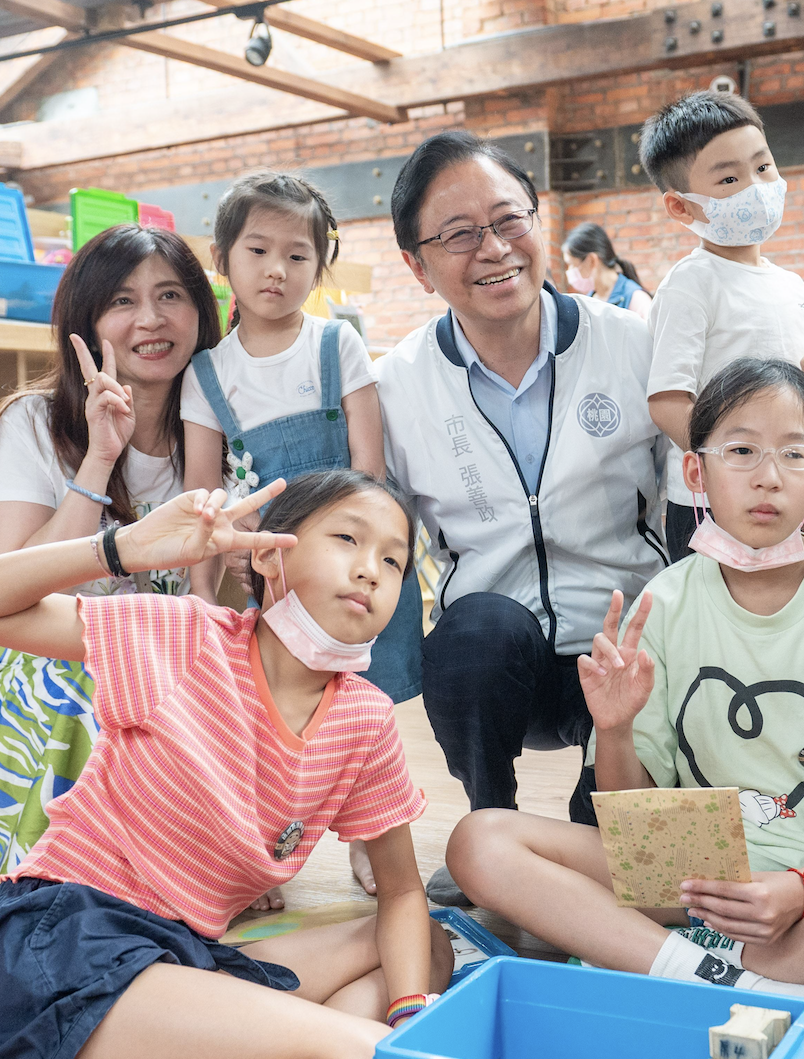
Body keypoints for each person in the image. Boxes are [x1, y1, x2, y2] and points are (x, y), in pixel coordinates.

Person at [446, 358, 804, 1059]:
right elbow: (634, 817)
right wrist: (614, 726)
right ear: (696, 474)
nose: (767, 475)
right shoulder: (664, 601)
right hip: (695, 866)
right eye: (742, 451)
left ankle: (652, 959)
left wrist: (798, 889)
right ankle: (718, 976)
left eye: (793, 454)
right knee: (477, 842)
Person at [0, 472, 448, 1059]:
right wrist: (119, 549)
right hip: (62, 945)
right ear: (270, 556)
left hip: (177, 954)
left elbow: (401, 893)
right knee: (362, 1047)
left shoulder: (365, 720)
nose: (371, 569)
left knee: (427, 950)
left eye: (395, 561)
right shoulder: (186, 636)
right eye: (348, 539)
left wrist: (408, 1013)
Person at [0, 224, 220, 957]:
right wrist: (99, 462)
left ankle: (185, 882)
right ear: (85, 321)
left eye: (171, 296)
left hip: (160, 666)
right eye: (122, 301)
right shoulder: (34, 420)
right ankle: (55, 903)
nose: (150, 320)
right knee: (94, 684)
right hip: (26, 665)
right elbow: (6, 585)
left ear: (201, 312)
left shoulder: (217, 431)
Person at [375, 130, 667, 901]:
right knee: (473, 629)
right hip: (499, 664)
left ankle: (593, 809)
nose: (494, 249)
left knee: (610, 862)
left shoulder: (635, 346)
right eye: (459, 234)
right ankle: (490, 823)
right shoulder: (396, 386)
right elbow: (376, 536)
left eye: (509, 221)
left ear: (539, 223)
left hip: (624, 654)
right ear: (417, 264)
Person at [179, 171, 416, 895]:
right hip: (271, 574)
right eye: (257, 250)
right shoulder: (208, 373)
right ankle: (256, 856)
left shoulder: (336, 345)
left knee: (358, 711)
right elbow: (203, 494)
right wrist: (203, 599)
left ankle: (368, 838)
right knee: (265, 715)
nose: (276, 270)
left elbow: (368, 470)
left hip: (353, 559)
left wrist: (352, 554)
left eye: (297, 255)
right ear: (223, 259)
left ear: (321, 265)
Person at [639, 90, 804, 560]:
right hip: (711, 504)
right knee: (715, 627)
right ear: (681, 207)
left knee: (780, 625)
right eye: (730, 178)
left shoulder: (793, 286)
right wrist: (728, 471)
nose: (755, 187)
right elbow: (668, 402)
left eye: (763, 168)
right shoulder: (692, 283)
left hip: (784, 494)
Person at [562, 222, 653, 319]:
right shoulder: (587, 302)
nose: (570, 272)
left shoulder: (637, 300)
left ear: (592, 260)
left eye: (572, 265)